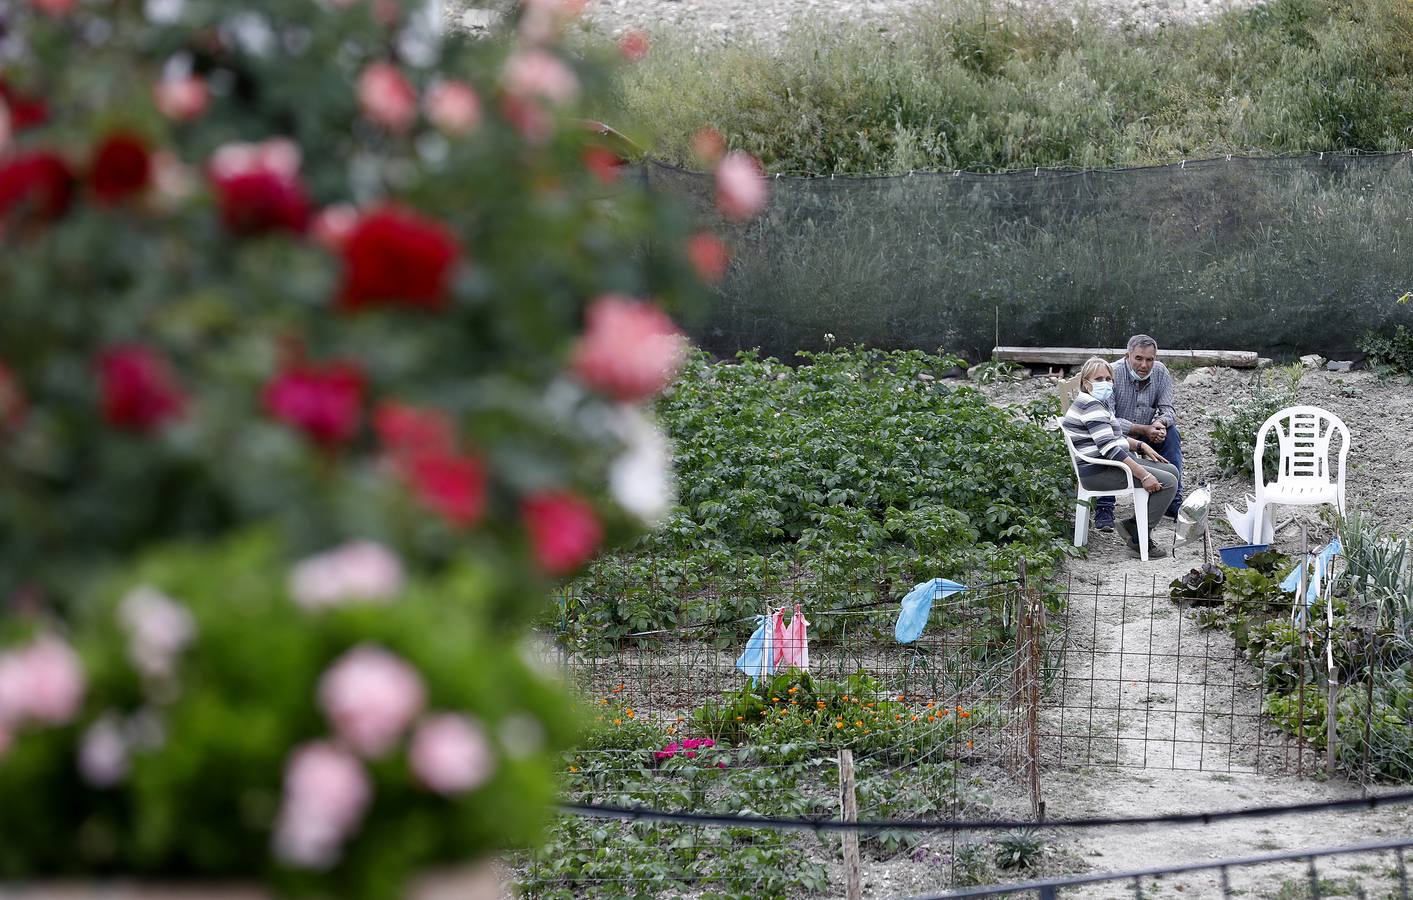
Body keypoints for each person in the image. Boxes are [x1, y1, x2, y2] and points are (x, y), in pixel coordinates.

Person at [1063, 357, 1179, 559]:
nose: (1106, 383)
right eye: (1099, 379)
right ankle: (1138, 538)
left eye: (1109, 378)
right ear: (1086, 383)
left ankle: (1133, 526)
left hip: (1108, 465)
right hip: (1098, 471)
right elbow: (1110, 449)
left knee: (1171, 470)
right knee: (1168, 482)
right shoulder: (1092, 407)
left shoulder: (1096, 402)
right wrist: (1144, 475)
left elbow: (1113, 436)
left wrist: (1140, 445)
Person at [1093, 334, 1183, 532]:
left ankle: (1173, 501)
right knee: (1112, 444)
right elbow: (1108, 420)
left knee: (1171, 434)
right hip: (1117, 434)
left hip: (1146, 432)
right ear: (1128, 356)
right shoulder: (1112, 374)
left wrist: (1159, 424)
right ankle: (1104, 507)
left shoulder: (1160, 373)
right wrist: (1143, 429)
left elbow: (1168, 410)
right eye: (1139, 358)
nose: (1144, 365)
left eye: (1150, 359)